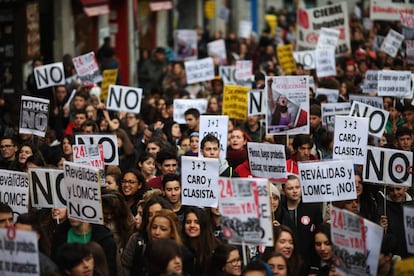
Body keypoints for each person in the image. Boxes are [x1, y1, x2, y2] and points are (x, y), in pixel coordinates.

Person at [51, 218, 117, 276]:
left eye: (88, 259)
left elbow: (111, 269)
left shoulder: (104, 237)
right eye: (77, 262)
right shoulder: (60, 233)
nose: (86, 265)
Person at [280, 174, 322, 266]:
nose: (295, 191)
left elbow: (319, 235)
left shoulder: (313, 208)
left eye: (297, 187)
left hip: (308, 261)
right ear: (283, 191)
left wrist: (315, 267)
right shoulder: (279, 210)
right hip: (286, 262)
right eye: (290, 188)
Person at [182, 207, 221, 276]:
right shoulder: (179, 247)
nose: (192, 225)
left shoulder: (215, 248)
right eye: (188, 222)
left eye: (197, 222)